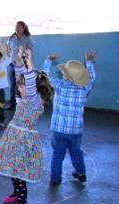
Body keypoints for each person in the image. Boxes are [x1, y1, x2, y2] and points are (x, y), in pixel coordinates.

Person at [0, 47, 53, 204]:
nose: (20, 88)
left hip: (23, 140)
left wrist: (30, 63)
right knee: (13, 170)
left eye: (23, 86)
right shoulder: (23, 97)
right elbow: (20, 78)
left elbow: (29, 84)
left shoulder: (34, 100)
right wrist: (18, 60)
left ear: (35, 88)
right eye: (20, 86)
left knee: (19, 175)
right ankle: (16, 192)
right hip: (14, 138)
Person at [44, 52, 97, 186]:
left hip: (59, 130)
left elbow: (45, 76)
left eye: (64, 72)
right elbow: (91, 78)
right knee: (76, 152)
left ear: (66, 76)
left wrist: (48, 61)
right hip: (76, 131)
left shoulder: (59, 86)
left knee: (57, 154)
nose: (62, 74)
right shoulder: (84, 88)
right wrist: (89, 62)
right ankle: (81, 173)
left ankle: (55, 179)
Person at [6, 21, 34, 110]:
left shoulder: (28, 39)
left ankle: (23, 105)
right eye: (16, 26)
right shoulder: (11, 38)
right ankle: (12, 105)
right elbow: (7, 50)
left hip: (23, 65)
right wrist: (9, 57)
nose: (17, 28)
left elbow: (30, 52)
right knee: (12, 85)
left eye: (19, 27)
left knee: (22, 85)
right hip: (11, 65)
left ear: (23, 28)